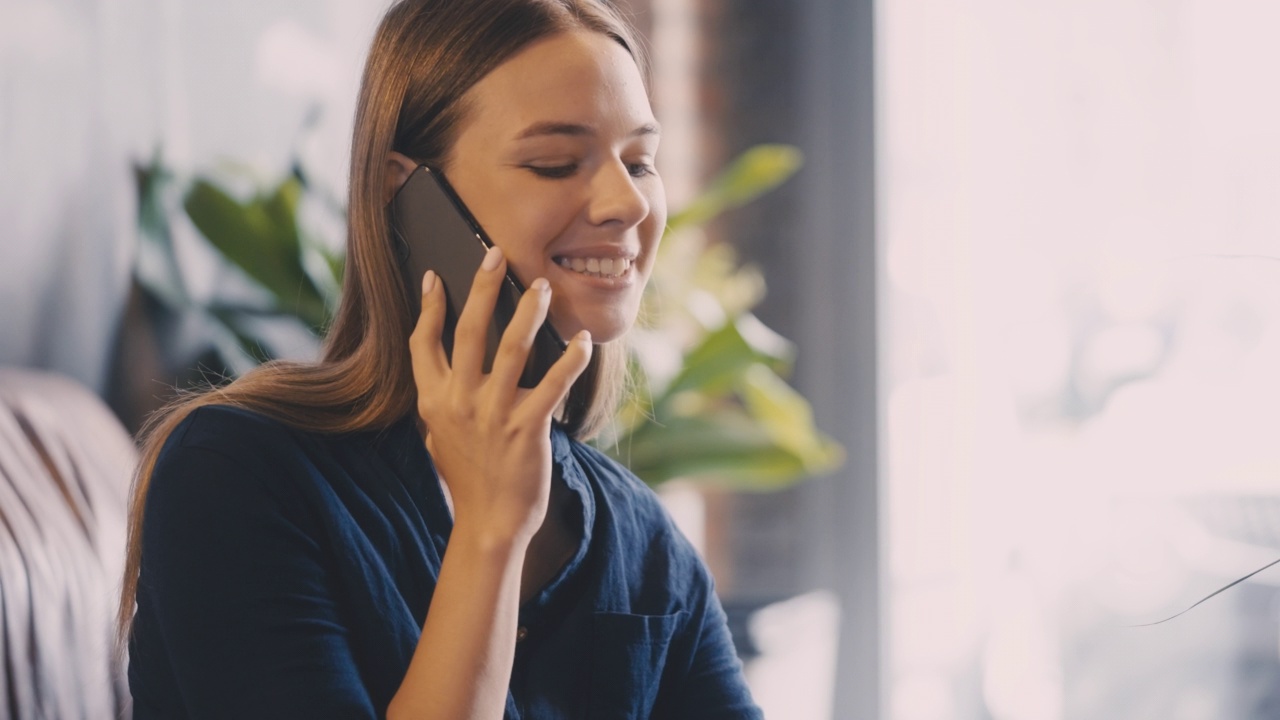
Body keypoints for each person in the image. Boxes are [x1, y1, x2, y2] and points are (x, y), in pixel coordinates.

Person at [120, 0, 764, 717]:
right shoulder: (237, 476)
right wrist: (491, 529)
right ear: (409, 195)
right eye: (555, 163)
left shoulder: (645, 546)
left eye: (640, 161)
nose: (627, 202)